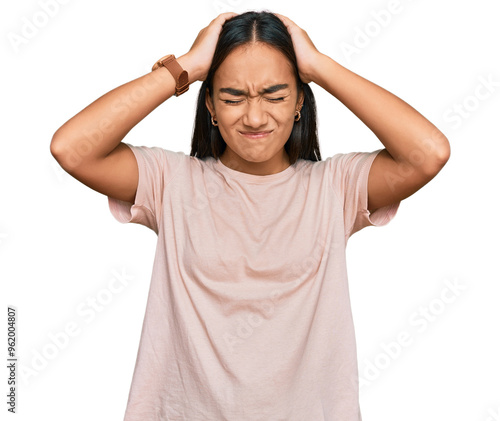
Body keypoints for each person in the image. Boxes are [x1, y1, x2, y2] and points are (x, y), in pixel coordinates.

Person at [50, 10, 450, 421]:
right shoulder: (172, 182)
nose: (255, 117)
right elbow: (72, 148)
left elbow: (429, 153)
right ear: (209, 104)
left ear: (299, 101)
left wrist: (319, 66)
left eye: (275, 96)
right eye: (232, 98)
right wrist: (185, 66)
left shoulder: (336, 186)